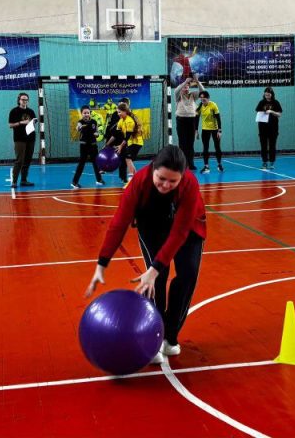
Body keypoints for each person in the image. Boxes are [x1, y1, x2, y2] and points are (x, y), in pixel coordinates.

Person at [84, 145, 205, 364]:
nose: (166, 185)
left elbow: (179, 232)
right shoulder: (139, 182)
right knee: (154, 281)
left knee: (188, 275)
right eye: (161, 178)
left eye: (173, 181)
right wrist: (102, 262)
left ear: (182, 176)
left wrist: (155, 268)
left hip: (188, 228)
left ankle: (170, 336)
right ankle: (153, 338)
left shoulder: (190, 183)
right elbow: (119, 223)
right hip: (151, 224)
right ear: (153, 169)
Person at [108, 102, 144, 185]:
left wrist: (120, 146)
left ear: (125, 111)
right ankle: (136, 179)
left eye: (119, 112)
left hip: (136, 143)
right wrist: (107, 144)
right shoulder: (121, 121)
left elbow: (127, 137)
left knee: (127, 158)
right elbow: (116, 134)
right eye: (117, 112)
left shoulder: (129, 121)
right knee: (128, 159)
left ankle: (131, 180)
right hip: (130, 143)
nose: (118, 114)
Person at [174, 74, 204, 170]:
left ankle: (190, 163)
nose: (186, 87)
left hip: (191, 120)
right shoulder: (178, 96)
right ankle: (182, 164)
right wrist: (185, 81)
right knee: (182, 143)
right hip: (181, 120)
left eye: (187, 86)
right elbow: (176, 90)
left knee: (190, 143)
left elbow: (203, 92)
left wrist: (197, 81)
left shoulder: (193, 95)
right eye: (184, 86)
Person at [8, 92, 37, 188]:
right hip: (19, 139)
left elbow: (33, 122)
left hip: (31, 138)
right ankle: (14, 181)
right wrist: (21, 122)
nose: (25, 101)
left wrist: (33, 122)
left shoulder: (31, 111)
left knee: (27, 160)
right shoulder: (14, 111)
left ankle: (24, 180)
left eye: (26, 100)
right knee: (19, 160)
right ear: (19, 100)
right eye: (23, 99)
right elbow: (10, 125)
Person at [71, 106, 104, 189]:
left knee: (96, 162)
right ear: (82, 114)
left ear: (90, 113)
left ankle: (99, 180)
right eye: (84, 113)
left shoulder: (94, 122)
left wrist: (97, 134)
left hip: (93, 145)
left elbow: (97, 132)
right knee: (81, 163)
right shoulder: (80, 122)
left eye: (88, 113)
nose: (86, 114)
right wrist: (79, 127)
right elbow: (78, 127)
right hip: (84, 145)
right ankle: (74, 182)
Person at [256, 87, 283, 170]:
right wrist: (263, 112)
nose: (267, 96)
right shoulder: (261, 102)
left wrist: (272, 111)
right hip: (262, 128)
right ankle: (264, 162)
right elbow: (257, 111)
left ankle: (272, 162)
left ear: (272, 94)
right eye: (266, 94)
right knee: (263, 145)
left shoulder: (276, 102)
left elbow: (279, 114)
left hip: (273, 128)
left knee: (272, 145)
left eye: (268, 94)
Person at [198, 90, 223, 173]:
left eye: (204, 98)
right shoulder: (200, 106)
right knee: (205, 148)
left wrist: (219, 130)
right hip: (205, 130)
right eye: (201, 98)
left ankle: (219, 164)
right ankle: (206, 167)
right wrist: (196, 130)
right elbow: (196, 118)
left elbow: (218, 118)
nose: (202, 99)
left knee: (217, 147)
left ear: (208, 98)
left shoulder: (213, 105)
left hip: (214, 129)